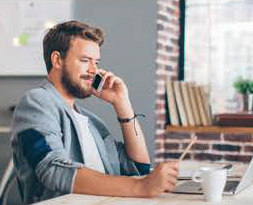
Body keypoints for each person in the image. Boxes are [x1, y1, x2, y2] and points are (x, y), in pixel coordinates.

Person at [11, 20, 179, 204]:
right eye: (85, 60)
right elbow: (52, 169)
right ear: (57, 60)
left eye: (96, 62)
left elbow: (138, 168)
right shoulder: (36, 102)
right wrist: (141, 187)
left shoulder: (92, 122)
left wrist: (122, 104)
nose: (94, 70)